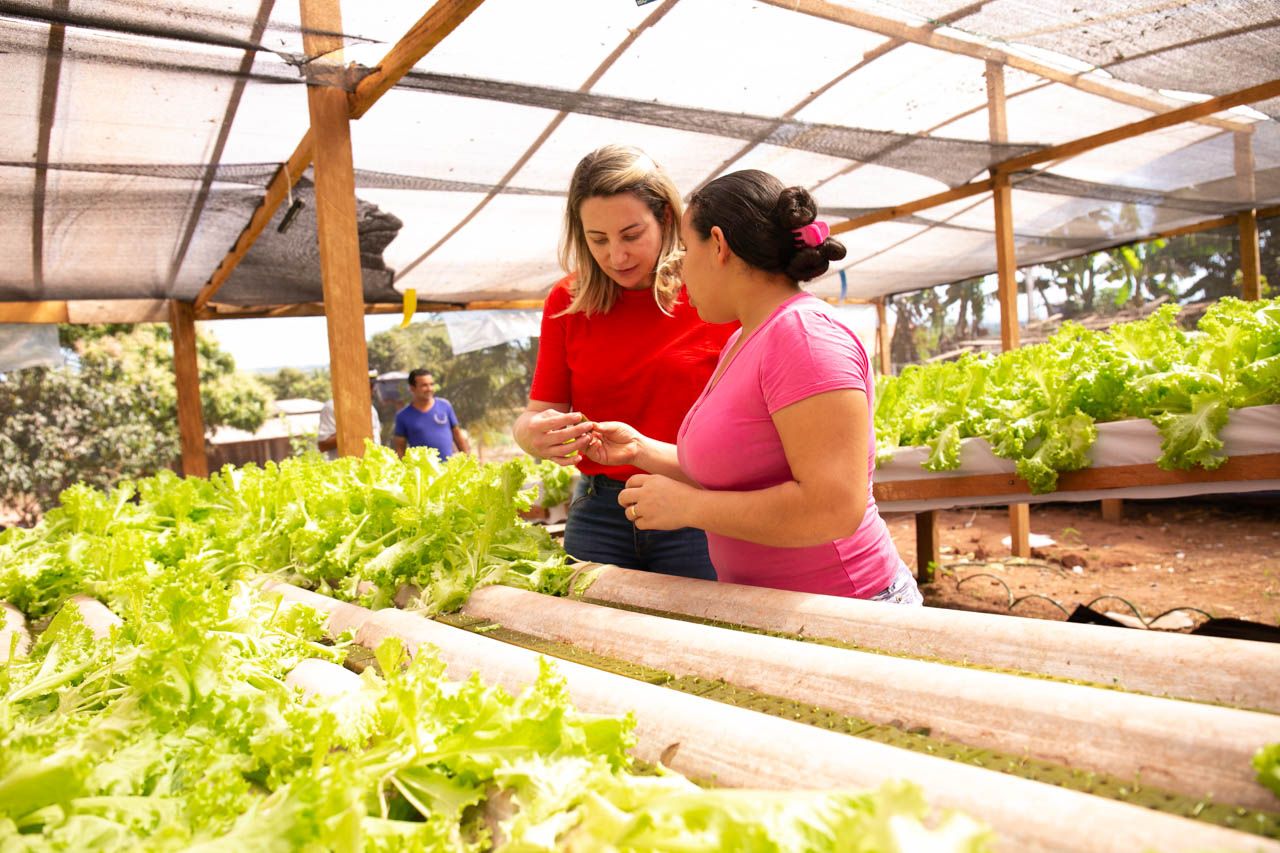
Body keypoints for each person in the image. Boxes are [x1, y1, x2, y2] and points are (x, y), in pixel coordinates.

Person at [583, 169, 922, 604]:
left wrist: (689, 508)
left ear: (719, 245)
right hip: (788, 610)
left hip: (852, 607)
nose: (681, 269)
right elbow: (739, 471)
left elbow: (833, 507)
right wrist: (640, 450)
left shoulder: (804, 337)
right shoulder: (745, 338)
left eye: (687, 249)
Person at [512, 145, 735, 580]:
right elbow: (541, 412)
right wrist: (530, 435)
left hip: (697, 512)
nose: (616, 256)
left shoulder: (713, 292)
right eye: (598, 240)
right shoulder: (567, 301)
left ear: (667, 219)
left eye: (631, 235)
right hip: (599, 513)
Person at [393, 368, 470, 460]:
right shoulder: (403, 416)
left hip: (448, 470)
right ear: (412, 388)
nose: (429, 389)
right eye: (424, 385)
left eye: (431, 384)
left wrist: (467, 459)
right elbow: (400, 449)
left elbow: (457, 435)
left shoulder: (445, 406)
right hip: (422, 472)